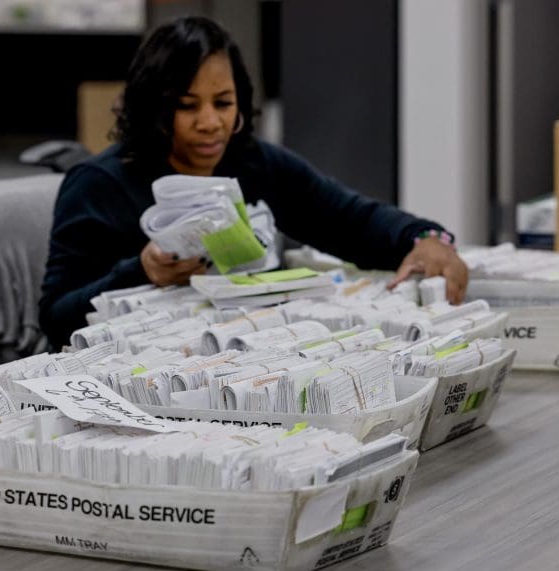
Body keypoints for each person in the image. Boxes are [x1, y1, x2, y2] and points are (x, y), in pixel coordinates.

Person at [39, 16, 468, 347]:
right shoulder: (99, 184)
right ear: (154, 108)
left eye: (224, 103)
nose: (211, 123)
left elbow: (349, 219)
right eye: (188, 106)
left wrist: (423, 236)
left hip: (251, 356)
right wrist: (142, 270)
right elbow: (57, 319)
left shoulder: (254, 162)